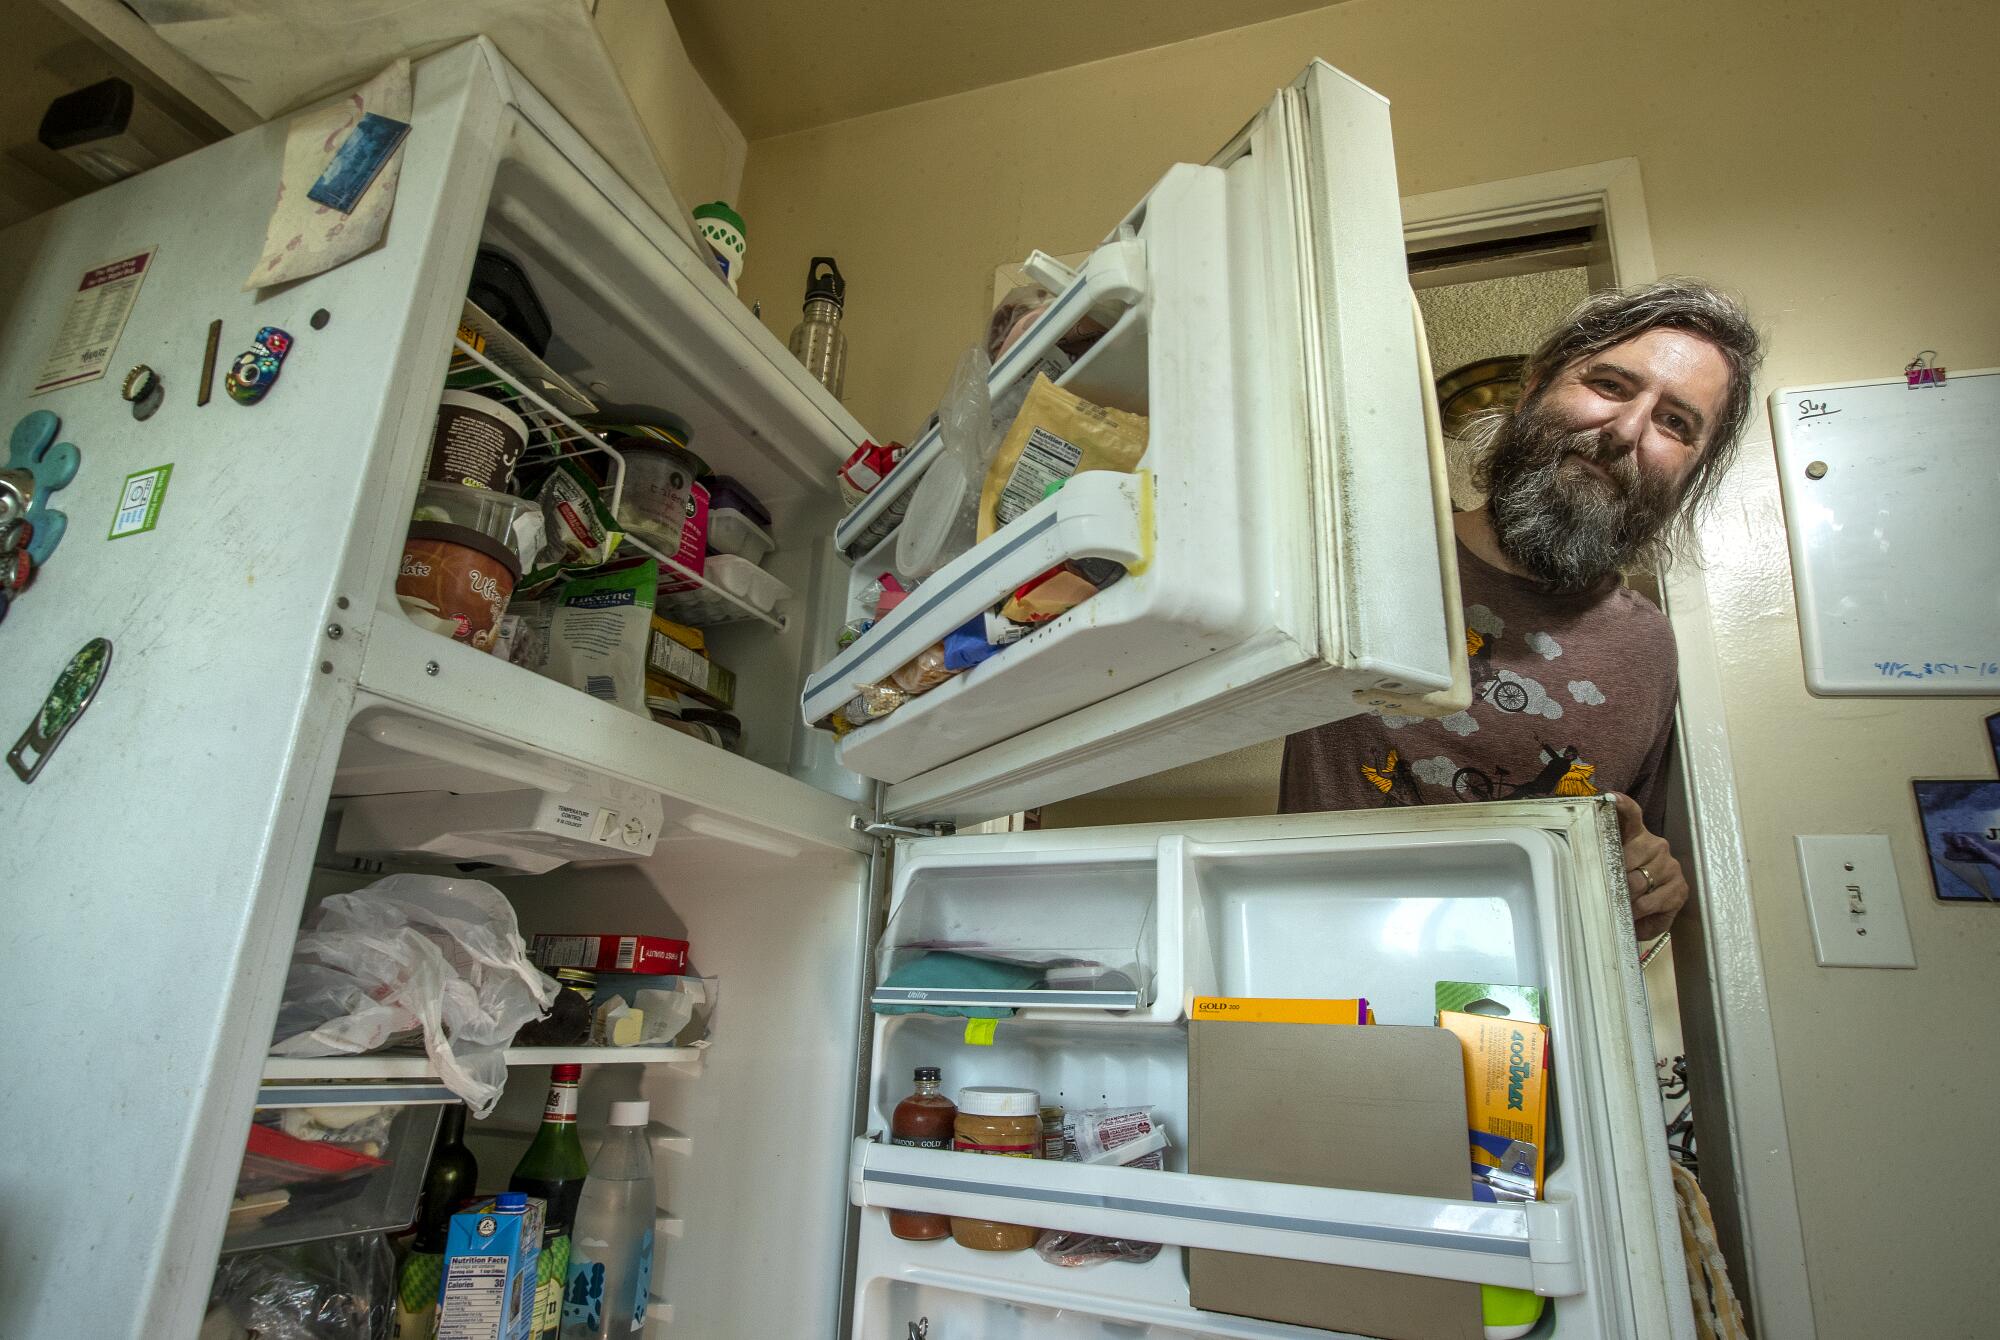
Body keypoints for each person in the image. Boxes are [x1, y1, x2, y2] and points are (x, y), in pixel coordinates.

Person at [1280, 279, 1763, 942]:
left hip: (1523, 1026)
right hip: (1315, 973)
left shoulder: (1649, 650)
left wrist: (1651, 883)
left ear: (1692, 473)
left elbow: (1627, 868)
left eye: (1675, 423)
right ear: (1535, 386)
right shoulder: (1359, 557)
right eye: (1612, 385)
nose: (1626, 431)